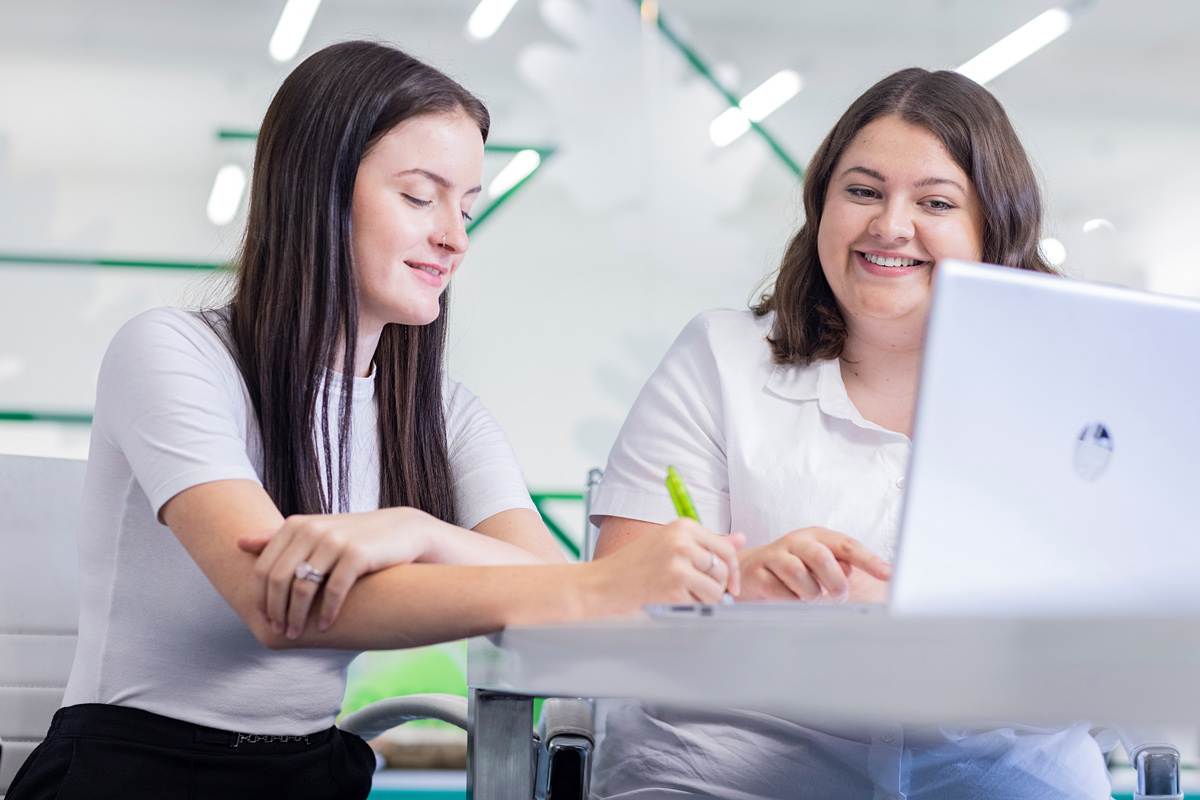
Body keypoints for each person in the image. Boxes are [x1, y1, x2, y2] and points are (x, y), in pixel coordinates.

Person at [6, 41, 741, 800]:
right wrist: (600, 585)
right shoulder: (172, 353)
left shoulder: (443, 415)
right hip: (134, 774)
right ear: (316, 193)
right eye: (421, 198)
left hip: (306, 771)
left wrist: (422, 533)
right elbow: (277, 603)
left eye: (467, 206)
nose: (455, 237)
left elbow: (543, 579)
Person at [589, 68, 1112, 799]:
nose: (890, 225)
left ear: (993, 228)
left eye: (935, 202)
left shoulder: (1077, 394)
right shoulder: (720, 358)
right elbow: (610, 599)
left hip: (1000, 777)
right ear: (822, 206)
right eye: (863, 191)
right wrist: (743, 585)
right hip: (724, 777)